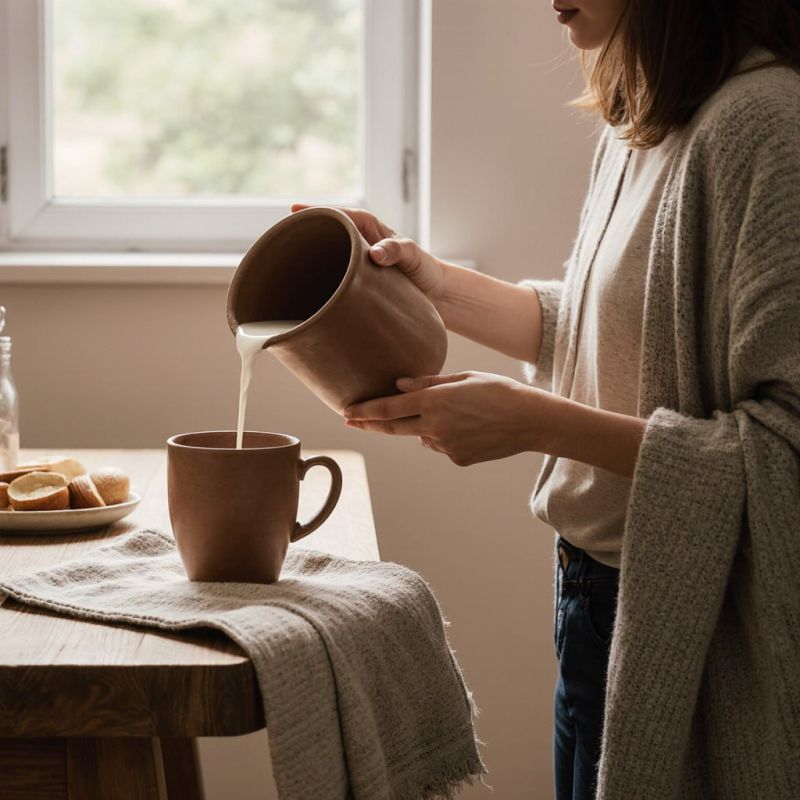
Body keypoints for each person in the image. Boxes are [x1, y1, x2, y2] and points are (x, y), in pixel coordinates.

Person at [293, 1, 800, 797]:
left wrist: (531, 421)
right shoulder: (647, 121)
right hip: (592, 600)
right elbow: (612, 332)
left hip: (681, 620)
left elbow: (785, 450)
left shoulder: (767, 126)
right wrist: (427, 282)